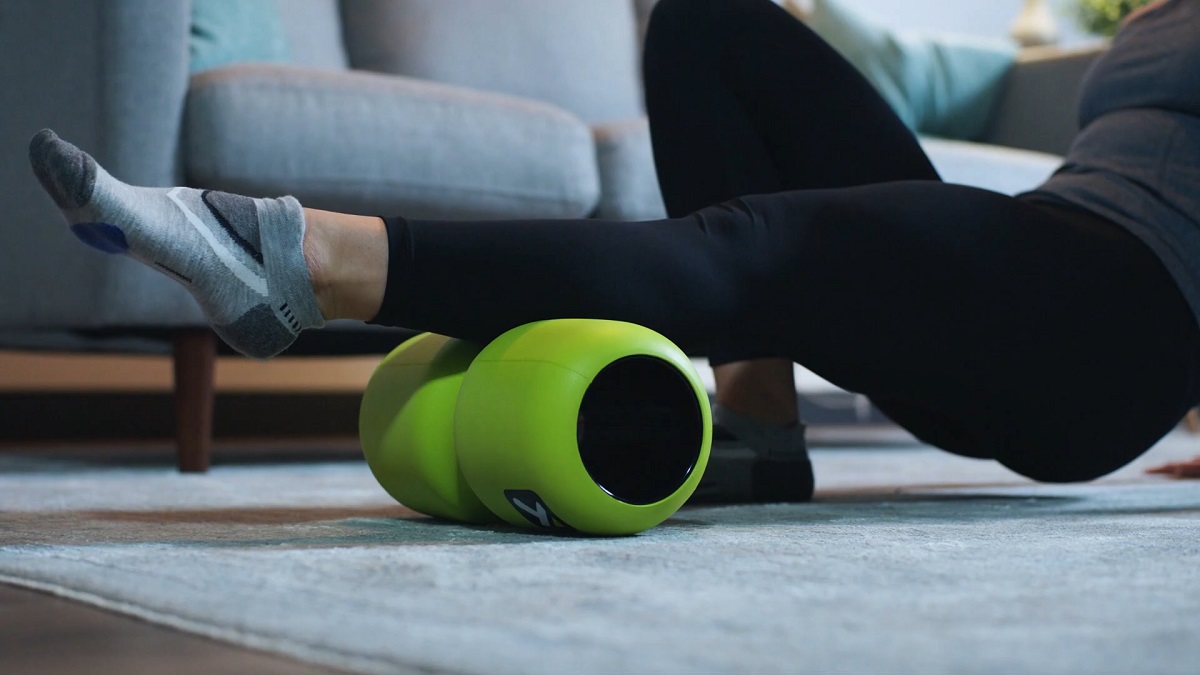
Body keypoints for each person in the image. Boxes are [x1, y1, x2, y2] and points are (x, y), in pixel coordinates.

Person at [27, 0, 1200, 501]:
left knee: (766, 246)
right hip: (1040, 272)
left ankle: (305, 263)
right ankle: (759, 420)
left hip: (1115, 330)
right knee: (707, 20)